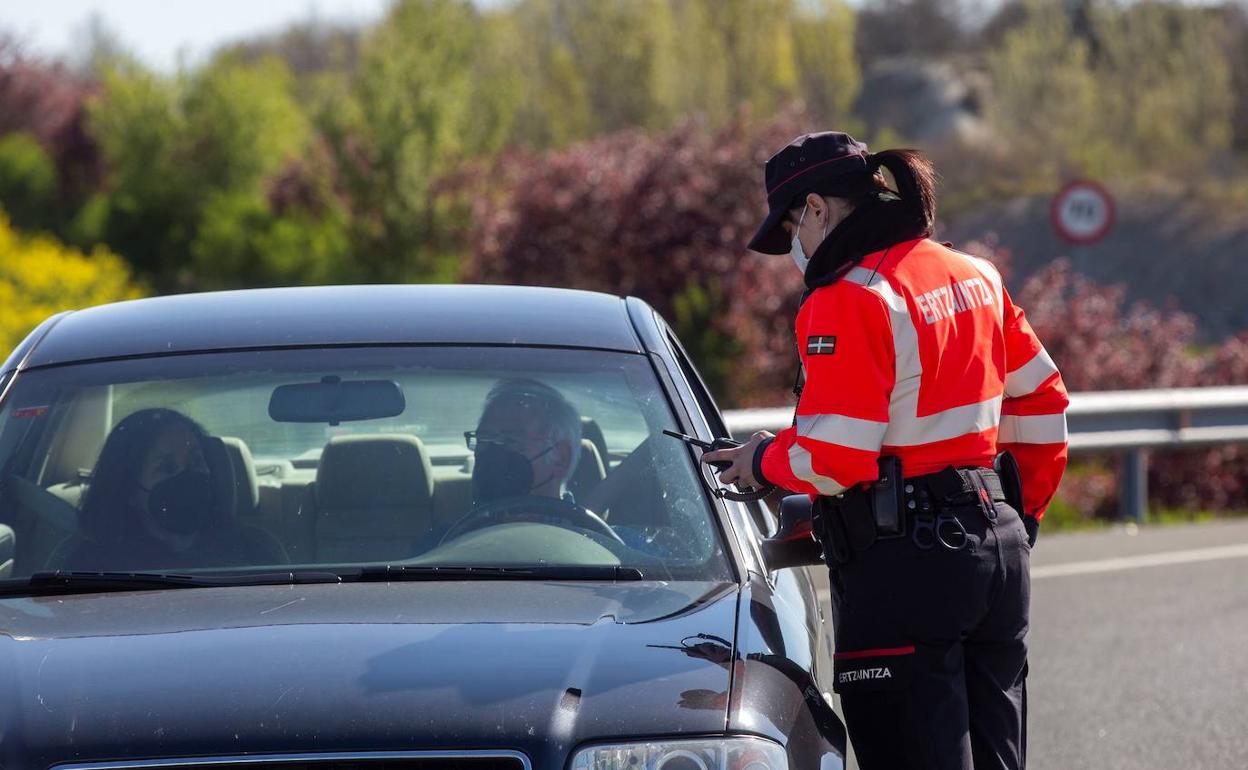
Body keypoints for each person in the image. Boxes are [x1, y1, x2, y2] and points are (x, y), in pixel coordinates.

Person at [702, 131, 1069, 770]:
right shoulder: (976, 276)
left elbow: (837, 455)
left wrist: (761, 461)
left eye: (791, 227)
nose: (796, 248)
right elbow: (1043, 403)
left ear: (815, 209)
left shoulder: (849, 297)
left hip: (905, 565)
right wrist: (1019, 518)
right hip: (997, 550)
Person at [56, 408, 286, 571]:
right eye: (166, 467)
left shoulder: (256, 551)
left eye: (196, 460)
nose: (187, 476)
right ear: (128, 490)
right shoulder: (89, 568)